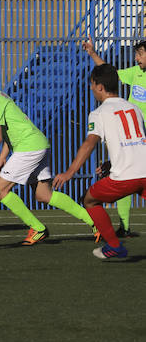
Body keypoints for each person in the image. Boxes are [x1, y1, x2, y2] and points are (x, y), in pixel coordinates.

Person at [0, 66, 99, 245]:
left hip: (29, 147)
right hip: (37, 144)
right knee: (44, 195)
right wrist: (4, 155)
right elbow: (10, 128)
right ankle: (95, 223)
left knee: (1, 189)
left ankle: (37, 228)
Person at [53, 65, 145, 259]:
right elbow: (134, 142)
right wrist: (111, 163)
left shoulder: (99, 113)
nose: (91, 88)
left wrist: (69, 172)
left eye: (92, 84)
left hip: (125, 178)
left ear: (100, 87)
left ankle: (114, 246)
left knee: (89, 200)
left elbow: (89, 143)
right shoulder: (134, 108)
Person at [81, 37, 144, 237]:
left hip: (140, 137)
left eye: (141, 53)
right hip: (131, 133)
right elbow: (111, 74)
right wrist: (92, 53)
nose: (137, 58)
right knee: (121, 175)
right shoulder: (136, 72)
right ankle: (124, 227)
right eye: (136, 53)